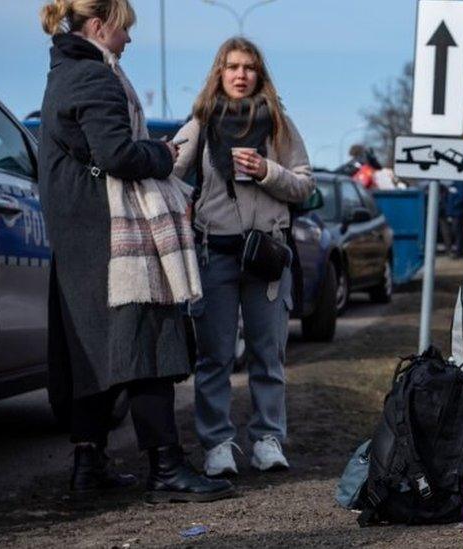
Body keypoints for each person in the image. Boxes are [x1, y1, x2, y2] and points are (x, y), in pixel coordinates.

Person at [38, 0, 232, 502]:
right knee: (148, 344)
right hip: (110, 237)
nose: (129, 40)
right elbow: (117, 154)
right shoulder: (94, 76)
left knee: (95, 353)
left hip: (80, 236)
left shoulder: (62, 72)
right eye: (124, 30)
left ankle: (89, 463)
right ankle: (166, 469)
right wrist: (163, 155)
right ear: (99, 26)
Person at [172, 37, 315, 476]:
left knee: (267, 355)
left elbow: (305, 184)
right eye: (232, 66)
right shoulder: (201, 120)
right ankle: (217, 444)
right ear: (219, 72)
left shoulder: (278, 124)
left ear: (260, 75)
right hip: (215, 252)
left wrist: (267, 171)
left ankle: (268, 440)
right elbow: (170, 173)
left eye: (249, 67)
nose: (240, 75)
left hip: (268, 256)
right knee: (214, 357)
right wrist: (185, 208)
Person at [444, 180, 463, 258]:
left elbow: (462, 197)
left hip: (457, 213)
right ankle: (457, 251)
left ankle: (459, 252)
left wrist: (455, 205)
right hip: (451, 213)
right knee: (453, 232)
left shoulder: (460, 185)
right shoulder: (452, 185)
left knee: (458, 232)